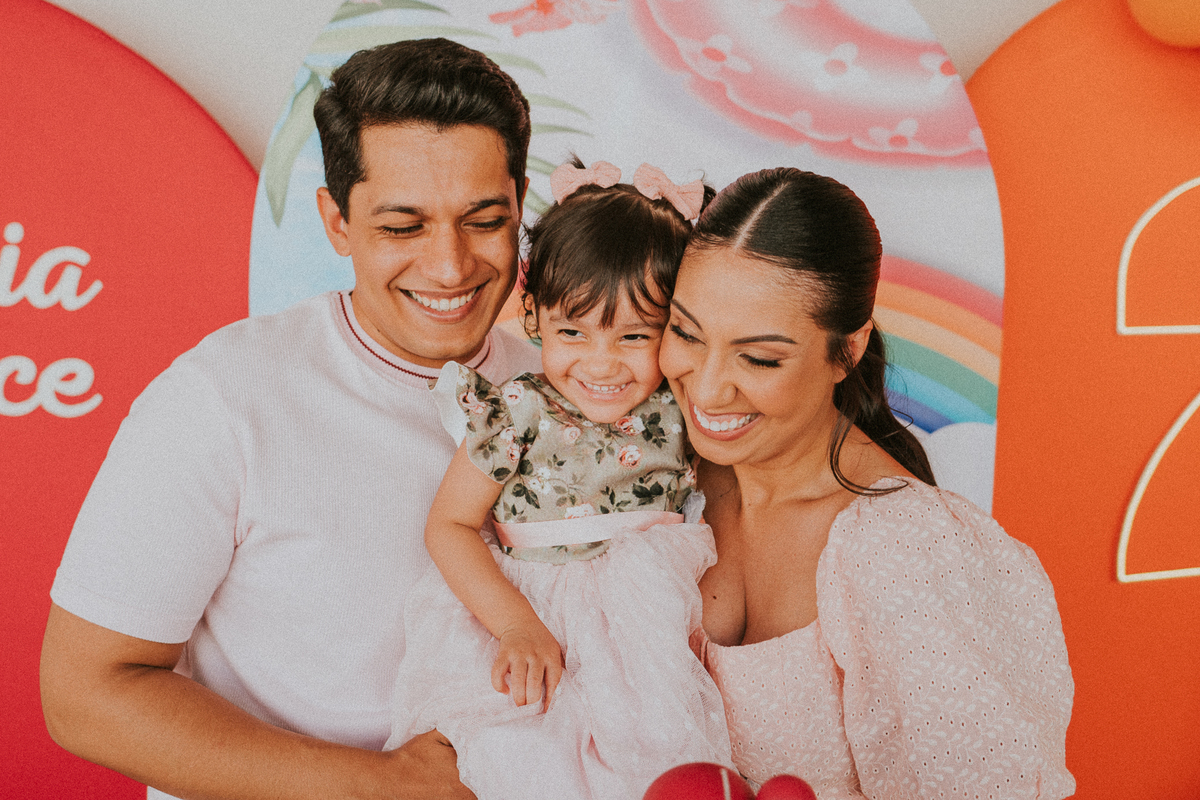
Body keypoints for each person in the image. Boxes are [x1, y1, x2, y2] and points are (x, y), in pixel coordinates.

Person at [40, 38, 541, 800]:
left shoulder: (562, 389)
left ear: (519, 205)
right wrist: (385, 787)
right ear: (336, 222)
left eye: (483, 219)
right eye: (403, 227)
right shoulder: (222, 398)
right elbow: (85, 696)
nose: (449, 266)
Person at [659, 168, 1076, 798]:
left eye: (760, 358)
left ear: (847, 351)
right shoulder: (667, 476)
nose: (709, 386)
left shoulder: (902, 547)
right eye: (686, 333)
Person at [385, 159, 732, 800]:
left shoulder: (682, 408)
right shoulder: (518, 409)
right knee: (523, 758)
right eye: (574, 331)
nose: (601, 364)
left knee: (652, 759)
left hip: (646, 616)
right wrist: (516, 625)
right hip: (536, 606)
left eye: (634, 335)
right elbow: (450, 525)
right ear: (535, 314)